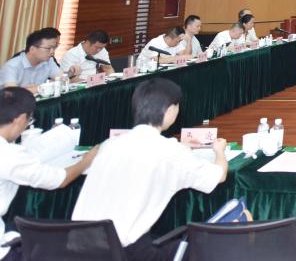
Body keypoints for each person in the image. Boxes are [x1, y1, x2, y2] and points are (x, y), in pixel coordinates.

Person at [72, 78, 228, 259]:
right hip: (127, 252)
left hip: (80, 250)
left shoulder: (109, 144)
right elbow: (219, 176)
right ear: (170, 111)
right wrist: (219, 151)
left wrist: (181, 148)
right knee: (214, 246)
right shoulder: (171, 152)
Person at [1, 88, 98, 259]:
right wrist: (87, 160)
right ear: (20, 119)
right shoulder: (9, 155)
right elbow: (60, 180)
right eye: (29, 120)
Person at [0, 29, 74, 91]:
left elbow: (63, 81)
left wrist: (38, 88)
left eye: (54, 48)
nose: (52, 52)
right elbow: (12, 94)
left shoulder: (49, 61)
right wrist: (42, 87)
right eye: (48, 48)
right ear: (32, 49)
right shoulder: (12, 66)